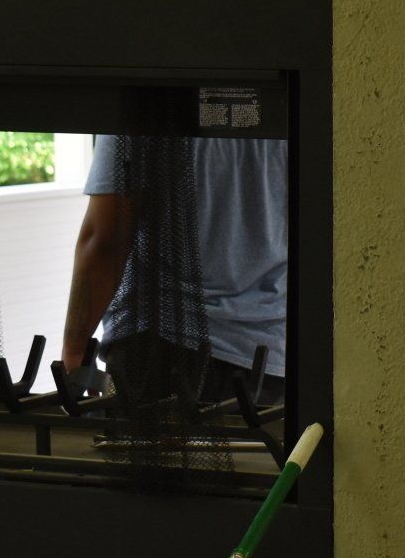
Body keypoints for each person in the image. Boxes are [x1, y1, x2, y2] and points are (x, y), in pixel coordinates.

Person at [62, 133, 288, 410]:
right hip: (268, 361)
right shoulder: (291, 101)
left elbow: (105, 240)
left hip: (161, 350)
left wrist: (73, 350)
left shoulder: (145, 98)